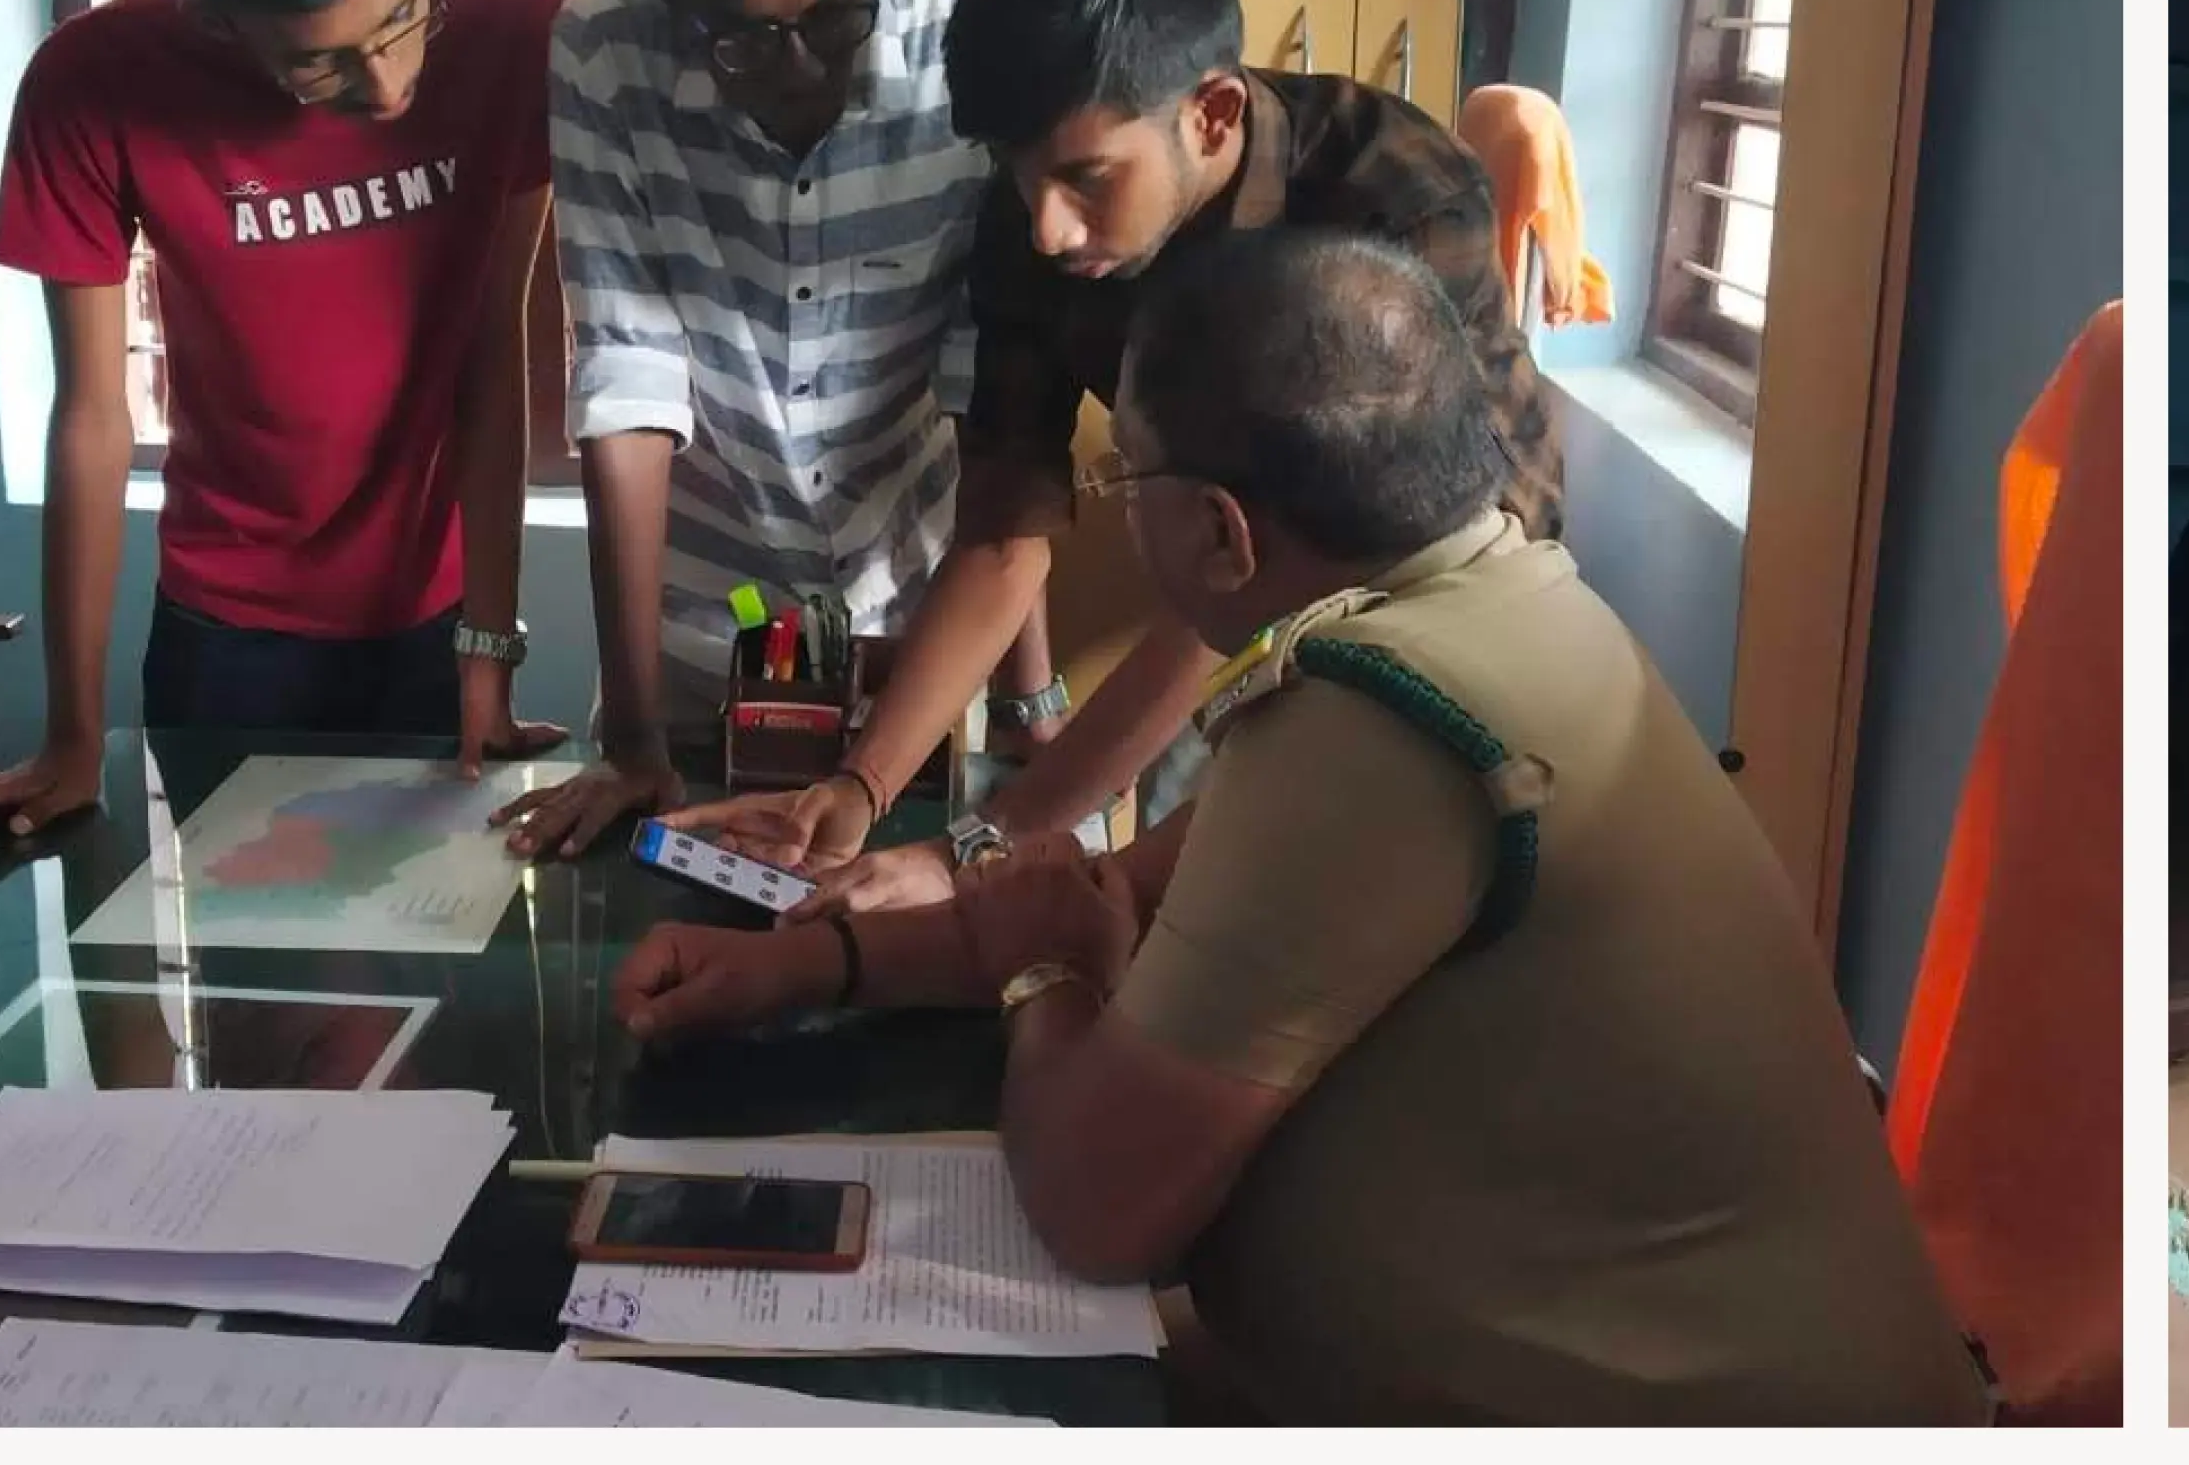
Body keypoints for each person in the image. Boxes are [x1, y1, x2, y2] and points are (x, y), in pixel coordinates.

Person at [607, 227, 1982, 1423]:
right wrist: (807, 962)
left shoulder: (1378, 718)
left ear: (1219, 532)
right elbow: (1125, 888)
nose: (1115, 509)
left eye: (1119, 478)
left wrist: (1048, 980)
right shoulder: (1484, 599)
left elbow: (1097, 1203)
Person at [667, 0, 1558, 895]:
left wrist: (977, 846)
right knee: (1135, 891)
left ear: (1211, 114)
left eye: (1088, 179)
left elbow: (1278, 577)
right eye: (1022, 177)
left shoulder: (1390, 201)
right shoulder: (1032, 225)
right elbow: (1006, 533)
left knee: (1233, 891)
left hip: (1447, 600)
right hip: (1247, 590)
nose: (1048, 227)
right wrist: (862, 784)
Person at [0, 0, 568, 834]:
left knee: (440, 971)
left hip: (432, 612)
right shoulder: (93, 80)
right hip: (227, 630)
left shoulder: (520, 15)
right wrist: (72, 733)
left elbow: (492, 343)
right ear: (212, 14)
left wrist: (489, 647)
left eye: (400, 16)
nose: (385, 87)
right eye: (317, 64)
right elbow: (94, 417)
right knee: (256, 985)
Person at [492, 0, 1052, 860]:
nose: (805, 72)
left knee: (891, 945)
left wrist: (1029, 699)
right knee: (676, 953)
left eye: (837, 15)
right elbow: (626, 378)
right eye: (749, 39)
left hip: (922, 646)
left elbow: (1000, 396)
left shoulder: (965, 51)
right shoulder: (606, 51)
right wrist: (636, 736)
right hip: (702, 641)